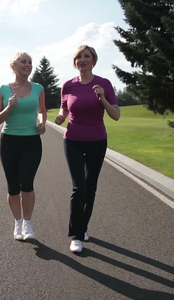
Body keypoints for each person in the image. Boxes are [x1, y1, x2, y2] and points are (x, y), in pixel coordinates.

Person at [55, 45, 120, 253]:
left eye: (86, 56)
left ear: (93, 60)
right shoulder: (68, 85)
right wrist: (61, 117)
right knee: (79, 187)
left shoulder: (104, 84)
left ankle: (83, 228)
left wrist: (102, 98)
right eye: (79, 57)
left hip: (97, 141)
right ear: (75, 62)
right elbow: (64, 108)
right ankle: (75, 235)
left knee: (90, 187)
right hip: (73, 140)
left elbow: (116, 115)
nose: (82, 60)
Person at [0, 51, 47, 241]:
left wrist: (42, 122)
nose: (28, 65)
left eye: (30, 62)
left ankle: (28, 223)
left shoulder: (39, 88)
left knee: (27, 184)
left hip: (31, 141)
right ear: (13, 66)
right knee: (13, 187)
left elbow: (42, 110)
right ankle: (18, 222)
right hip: (9, 141)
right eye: (23, 61)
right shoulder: (2, 90)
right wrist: (9, 108)